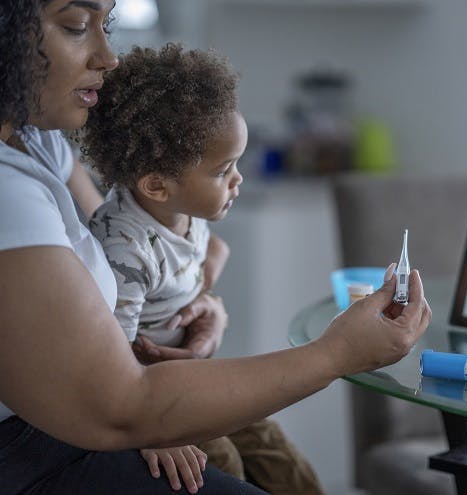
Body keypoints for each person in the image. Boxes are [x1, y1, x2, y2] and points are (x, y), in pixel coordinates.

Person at [0, 2, 431, 495]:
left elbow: (125, 230)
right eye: (77, 26)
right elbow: (124, 405)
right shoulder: (6, 190)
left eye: (107, 23)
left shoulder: (35, 142)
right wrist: (337, 353)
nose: (108, 55)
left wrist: (199, 297)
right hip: (40, 445)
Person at [81, 44, 323, 494]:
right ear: (156, 184)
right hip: (154, 392)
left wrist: (207, 280)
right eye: (223, 171)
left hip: (189, 374)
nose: (238, 180)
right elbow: (112, 358)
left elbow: (205, 250)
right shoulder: (125, 252)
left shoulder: (180, 209)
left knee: (274, 447)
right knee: (225, 460)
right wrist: (153, 432)